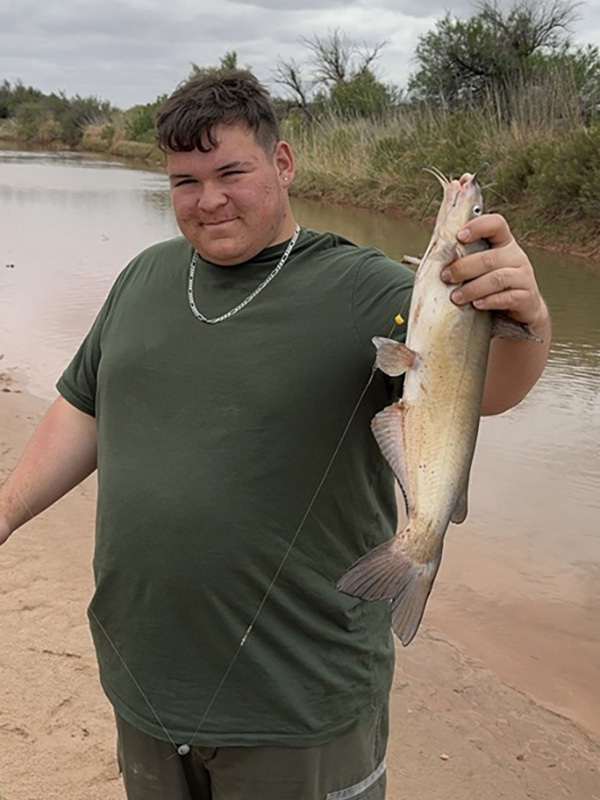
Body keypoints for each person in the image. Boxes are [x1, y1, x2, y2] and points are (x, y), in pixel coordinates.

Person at [0, 71, 550, 800]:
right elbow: (84, 409)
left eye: (232, 171)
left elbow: (486, 388)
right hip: (144, 685)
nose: (209, 199)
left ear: (283, 163)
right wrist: (4, 513)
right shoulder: (144, 277)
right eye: (184, 181)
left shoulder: (367, 288)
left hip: (296, 703)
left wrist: (528, 319)